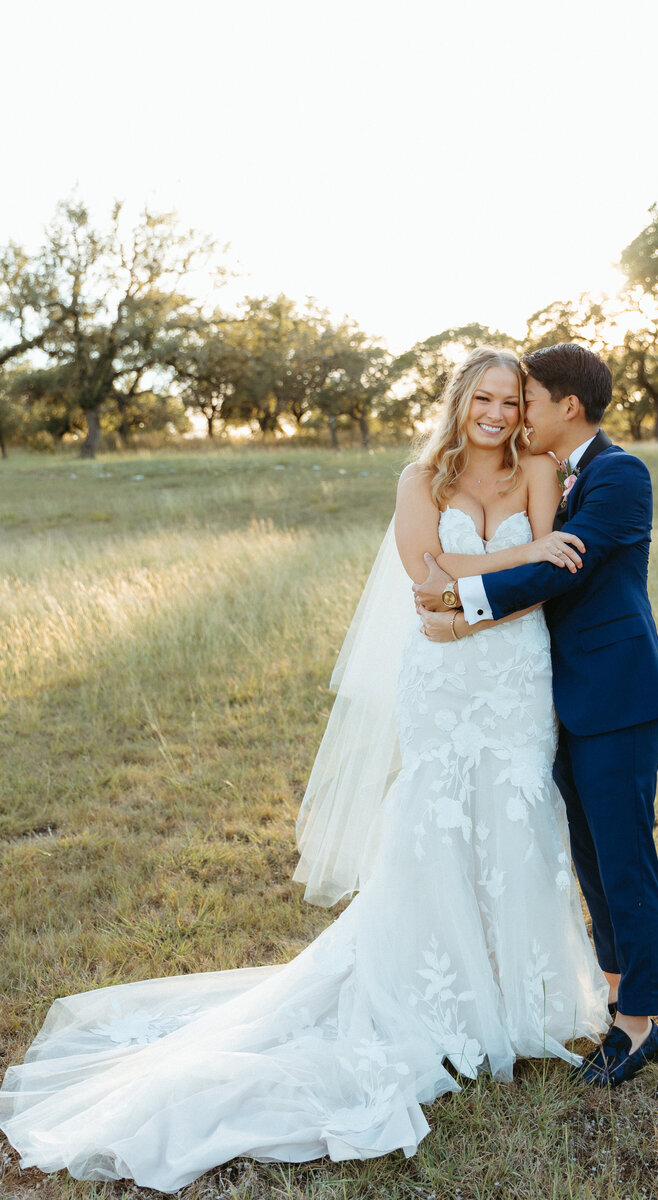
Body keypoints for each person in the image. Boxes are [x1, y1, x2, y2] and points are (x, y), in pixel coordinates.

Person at [0, 346, 609, 1192]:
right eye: (485, 398)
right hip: (442, 678)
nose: (499, 415)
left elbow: (546, 579)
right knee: (433, 821)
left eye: (511, 401)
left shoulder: (539, 471)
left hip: (514, 680)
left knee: (513, 818)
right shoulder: (419, 479)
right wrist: (500, 568)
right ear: (460, 400)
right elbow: (425, 580)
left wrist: (477, 575)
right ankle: (435, 999)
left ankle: (512, 1001)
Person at [414, 342, 658, 1088]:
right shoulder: (562, 475)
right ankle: (610, 994)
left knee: (624, 854)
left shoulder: (620, 473)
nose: (517, 412)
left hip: (617, 693)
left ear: (566, 407)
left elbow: (560, 563)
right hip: (556, 691)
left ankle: (638, 1025)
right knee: (592, 856)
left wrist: (458, 607)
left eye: (527, 399)